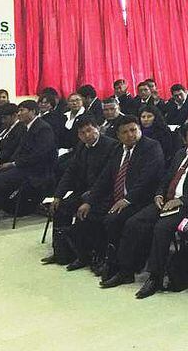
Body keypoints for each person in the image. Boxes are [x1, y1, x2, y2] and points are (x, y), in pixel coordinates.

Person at [130, 121, 188, 297]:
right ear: (185, 140)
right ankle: (130, 266)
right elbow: (167, 177)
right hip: (167, 200)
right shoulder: (180, 154)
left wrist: (180, 201)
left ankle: (155, 277)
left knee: (162, 227)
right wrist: (159, 194)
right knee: (136, 221)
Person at [68, 115, 164, 281]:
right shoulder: (118, 149)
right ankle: (91, 256)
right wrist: (89, 201)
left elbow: (147, 180)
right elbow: (104, 178)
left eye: (133, 130)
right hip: (117, 197)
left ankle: (121, 267)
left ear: (139, 130)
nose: (130, 135)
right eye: (125, 132)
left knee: (113, 220)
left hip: (141, 199)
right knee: (87, 213)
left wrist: (127, 200)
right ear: (118, 135)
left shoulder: (151, 147)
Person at [0, 99, 57, 234]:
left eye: (22, 110)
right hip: (23, 165)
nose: (19, 114)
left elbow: (39, 155)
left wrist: (13, 164)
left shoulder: (43, 128)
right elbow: (17, 150)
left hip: (36, 170)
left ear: (32, 111)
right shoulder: (26, 127)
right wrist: (0, 160)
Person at [44, 115, 119, 267]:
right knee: (60, 208)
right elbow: (71, 172)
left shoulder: (111, 146)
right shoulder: (82, 146)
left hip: (104, 194)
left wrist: (90, 200)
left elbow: (106, 179)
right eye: (82, 133)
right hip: (84, 190)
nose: (87, 135)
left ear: (98, 128)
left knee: (83, 213)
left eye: (89, 130)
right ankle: (61, 251)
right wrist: (58, 195)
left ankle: (83, 255)